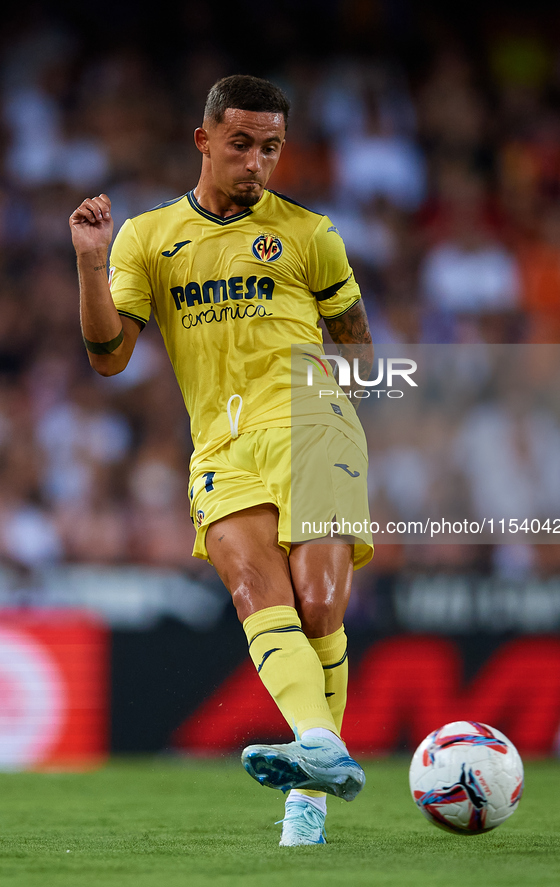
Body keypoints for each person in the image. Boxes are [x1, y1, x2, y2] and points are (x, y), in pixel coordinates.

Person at [69, 74, 374, 846]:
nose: (256, 163)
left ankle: (311, 772)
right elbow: (108, 357)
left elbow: (359, 347)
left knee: (319, 605)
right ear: (203, 140)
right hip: (223, 445)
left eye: (270, 148)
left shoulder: (310, 234)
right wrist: (90, 264)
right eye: (241, 145)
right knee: (250, 588)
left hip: (313, 423)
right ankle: (319, 766)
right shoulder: (148, 237)